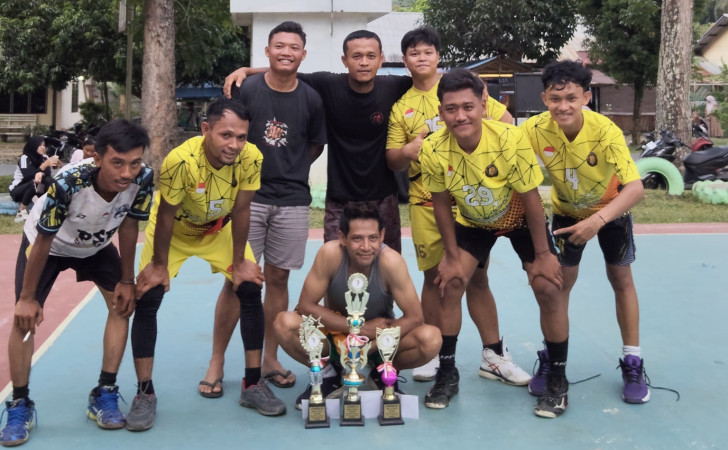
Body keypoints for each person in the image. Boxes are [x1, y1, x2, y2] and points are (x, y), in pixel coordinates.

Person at [128, 97, 285, 432]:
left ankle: (252, 384)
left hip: (218, 229)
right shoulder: (179, 161)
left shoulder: (251, 157)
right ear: (205, 129)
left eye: (241, 137)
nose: (234, 145)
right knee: (149, 295)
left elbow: (242, 209)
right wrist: (159, 265)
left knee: (249, 287)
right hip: (175, 231)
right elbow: (166, 215)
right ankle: (144, 393)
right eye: (226, 135)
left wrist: (239, 261)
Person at [419, 69, 568, 417]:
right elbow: (440, 204)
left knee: (548, 286)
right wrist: (450, 255)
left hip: (518, 216)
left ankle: (557, 380)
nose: (460, 116)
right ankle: (447, 372)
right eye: (451, 109)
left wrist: (543, 254)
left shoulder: (510, 139)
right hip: (473, 221)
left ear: (483, 106)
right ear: (441, 112)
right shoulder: (433, 147)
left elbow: (532, 199)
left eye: (468, 107)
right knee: (450, 282)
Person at [385, 27, 529, 386]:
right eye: (414, 53)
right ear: (405, 61)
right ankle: (433, 352)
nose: (422, 58)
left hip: (470, 203)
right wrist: (408, 151)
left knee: (476, 278)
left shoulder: (463, 89)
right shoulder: (402, 107)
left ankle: (493, 355)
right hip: (426, 201)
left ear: (439, 56)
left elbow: (507, 125)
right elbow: (392, 159)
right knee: (435, 278)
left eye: (428, 52)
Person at [0, 120, 153, 447]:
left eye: (134, 162)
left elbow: (129, 226)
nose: (127, 173)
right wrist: (27, 297)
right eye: (117, 163)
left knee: (122, 305)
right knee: (24, 319)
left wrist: (127, 279)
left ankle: (104, 391)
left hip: (96, 245)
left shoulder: (143, 178)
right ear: (97, 158)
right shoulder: (69, 182)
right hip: (50, 246)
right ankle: (20, 403)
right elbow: (43, 240)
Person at [198, 21, 327, 397]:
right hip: (246, 199)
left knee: (279, 279)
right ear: (267, 51)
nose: (286, 52)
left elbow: (315, 144)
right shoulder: (247, 88)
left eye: (294, 47)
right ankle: (217, 361)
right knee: (236, 279)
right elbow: (228, 133)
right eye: (279, 46)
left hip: (292, 199)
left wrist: (291, 168)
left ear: (303, 54)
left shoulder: (312, 98)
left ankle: (270, 358)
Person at [521, 60, 647, 406]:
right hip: (566, 214)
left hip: (611, 212)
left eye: (571, 98)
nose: (563, 106)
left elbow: (635, 188)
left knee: (621, 279)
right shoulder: (533, 129)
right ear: (545, 98)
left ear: (586, 98)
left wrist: (598, 221)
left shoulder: (605, 130)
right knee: (558, 286)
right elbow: (503, 145)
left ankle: (633, 362)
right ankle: (553, 358)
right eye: (555, 98)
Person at [223, 29, 413, 253]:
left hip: (384, 197)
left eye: (370, 56)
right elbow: (287, 71)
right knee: (333, 263)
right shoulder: (328, 84)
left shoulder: (394, 86)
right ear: (344, 60)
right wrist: (246, 70)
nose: (364, 62)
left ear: (381, 59)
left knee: (390, 264)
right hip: (340, 198)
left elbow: (430, 81)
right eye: (356, 56)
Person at [272, 202, 441, 409]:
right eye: (357, 238)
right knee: (284, 323)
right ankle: (329, 373)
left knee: (431, 339)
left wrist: (369, 347)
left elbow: (415, 316)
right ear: (342, 237)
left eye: (373, 238)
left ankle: (383, 371)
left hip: (379, 339)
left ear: (382, 236)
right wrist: (359, 329)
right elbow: (305, 306)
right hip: (336, 336)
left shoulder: (391, 262)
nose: (366, 247)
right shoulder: (329, 254)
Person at [8, 137, 61, 223]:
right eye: (40, 145)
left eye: (44, 145)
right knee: (34, 182)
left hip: (35, 190)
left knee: (49, 180)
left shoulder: (44, 157)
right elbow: (28, 176)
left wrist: (41, 173)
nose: (43, 147)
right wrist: (44, 166)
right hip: (18, 190)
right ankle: (21, 212)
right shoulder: (24, 158)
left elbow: (47, 174)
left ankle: (50, 208)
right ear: (33, 145)